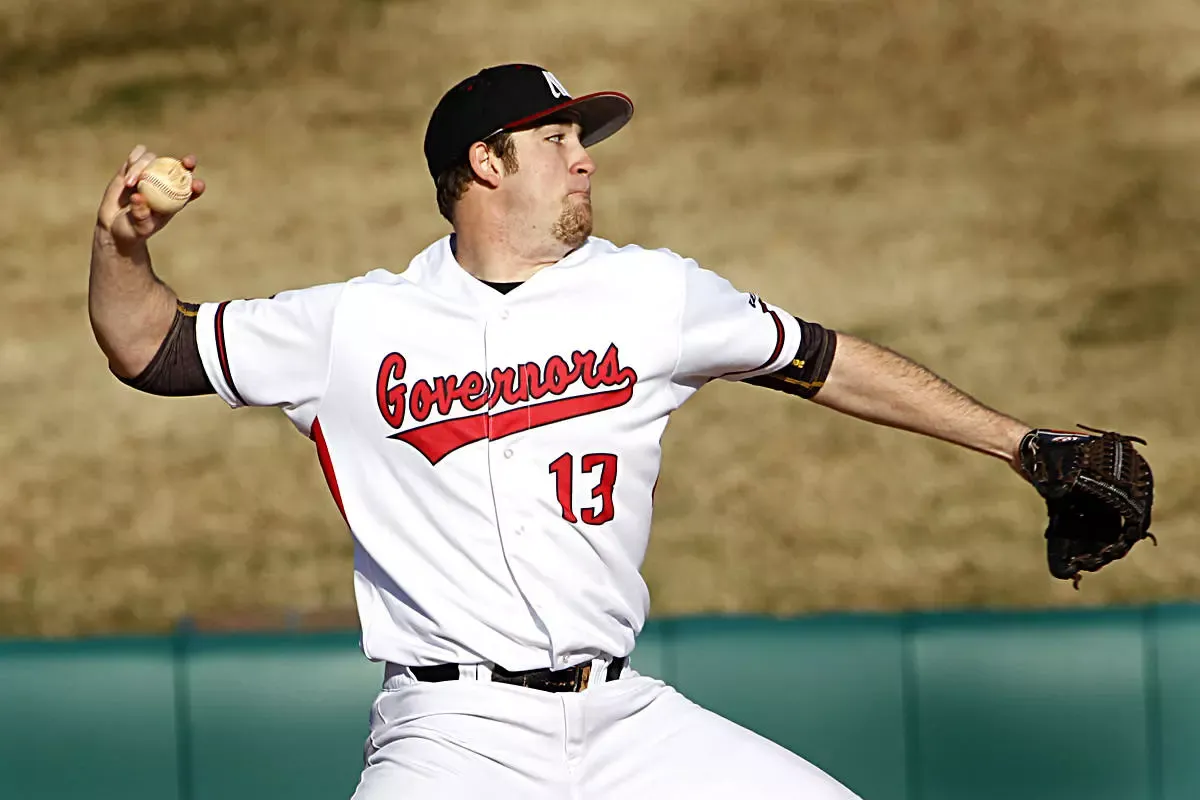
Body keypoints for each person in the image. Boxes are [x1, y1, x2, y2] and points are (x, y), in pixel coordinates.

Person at [86, 63, 1083, 798]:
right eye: (557, 138)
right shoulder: (354, 324)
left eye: (583, 139)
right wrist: (119, 245)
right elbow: (148, 349)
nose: (582, 160)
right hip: (450, 732)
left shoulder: (651, 291)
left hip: (625, 720)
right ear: (486, 162)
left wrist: (1022, 445)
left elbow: (825, 360)